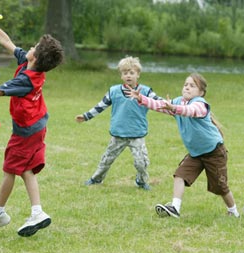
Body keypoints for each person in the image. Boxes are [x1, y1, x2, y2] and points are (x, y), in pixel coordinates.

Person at [0, 7, 64, 237]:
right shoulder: (29, 63)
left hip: (27, 131)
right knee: (25, 170)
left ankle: (0, 213)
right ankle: (34, 211)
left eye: (34, 47)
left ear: (36, 57)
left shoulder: (26, 80)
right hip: (37, 125)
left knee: (11, 169)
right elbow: (6, 40)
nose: (29, 48)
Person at [127, 73, 240, 218]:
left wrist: (174, 108)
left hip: (214, 152)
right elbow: (160, 105)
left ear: (201, 92)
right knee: (179, 175)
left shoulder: (201, 104)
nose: (187, 87)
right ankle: (175, 208)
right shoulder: (178, 101)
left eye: (192, 85)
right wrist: (141, 98)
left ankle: (233, 211)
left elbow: (189, 111)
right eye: (186, 84)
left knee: (220, 187)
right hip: (195, 153)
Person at [75, 56, 162, 190]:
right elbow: (100, 106)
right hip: (118, 134)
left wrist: (172, 105)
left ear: (138, 74)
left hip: (136, 134)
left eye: (131, 73)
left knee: (141, 162)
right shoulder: (114, 91)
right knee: (107, 159)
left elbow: (158, 101)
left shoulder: (146, 91)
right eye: (125, 73)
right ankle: (96, 179)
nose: (128, 76)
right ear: (121, 75)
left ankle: (142, 181)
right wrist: (86, 116)